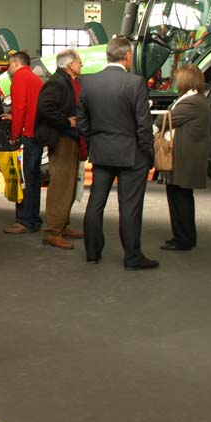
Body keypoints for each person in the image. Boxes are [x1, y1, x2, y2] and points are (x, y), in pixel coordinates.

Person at [77, 37, 158, 270]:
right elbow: (143, 124)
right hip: (131, 154)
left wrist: (93, 141)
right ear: (128, 56)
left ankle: (92, 252)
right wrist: (148, 153)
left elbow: (82, 121)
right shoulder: (135, 83)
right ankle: (132, 257)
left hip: (102, 152)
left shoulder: (89, 82)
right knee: (130, 206)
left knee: (95, 204)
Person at [34, 49, 85, 250]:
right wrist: (66, 121)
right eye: (79, 62)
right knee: (61, 186)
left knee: (69, 185)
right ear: (69, 64)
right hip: (62, 138)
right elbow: (45, 106)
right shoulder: (57, 82)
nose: (81, 64)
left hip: (70, 138)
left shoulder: (68, 82)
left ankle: (62, 225)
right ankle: (52, 231)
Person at [160, 65, 210, 251]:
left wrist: (161, 121)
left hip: (184, 159)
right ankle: (183, 236)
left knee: (180, 199)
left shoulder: (191, 102)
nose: (175, 81)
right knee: (181, 198)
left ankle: (183, 239)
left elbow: (165, 121)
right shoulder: (196, 100)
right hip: (186, 157)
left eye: (178, 78)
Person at [1, 51, 44, 234]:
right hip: (36, 134)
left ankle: (24, 221)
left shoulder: (19, 77)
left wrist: (14, 134)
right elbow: (31, 106)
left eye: (9, 65)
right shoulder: (35, 79)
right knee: (34, 179)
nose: (9, 69)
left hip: (26, 136)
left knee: (24, 180)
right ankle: (33, 219)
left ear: (16, 63)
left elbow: (20, 106)